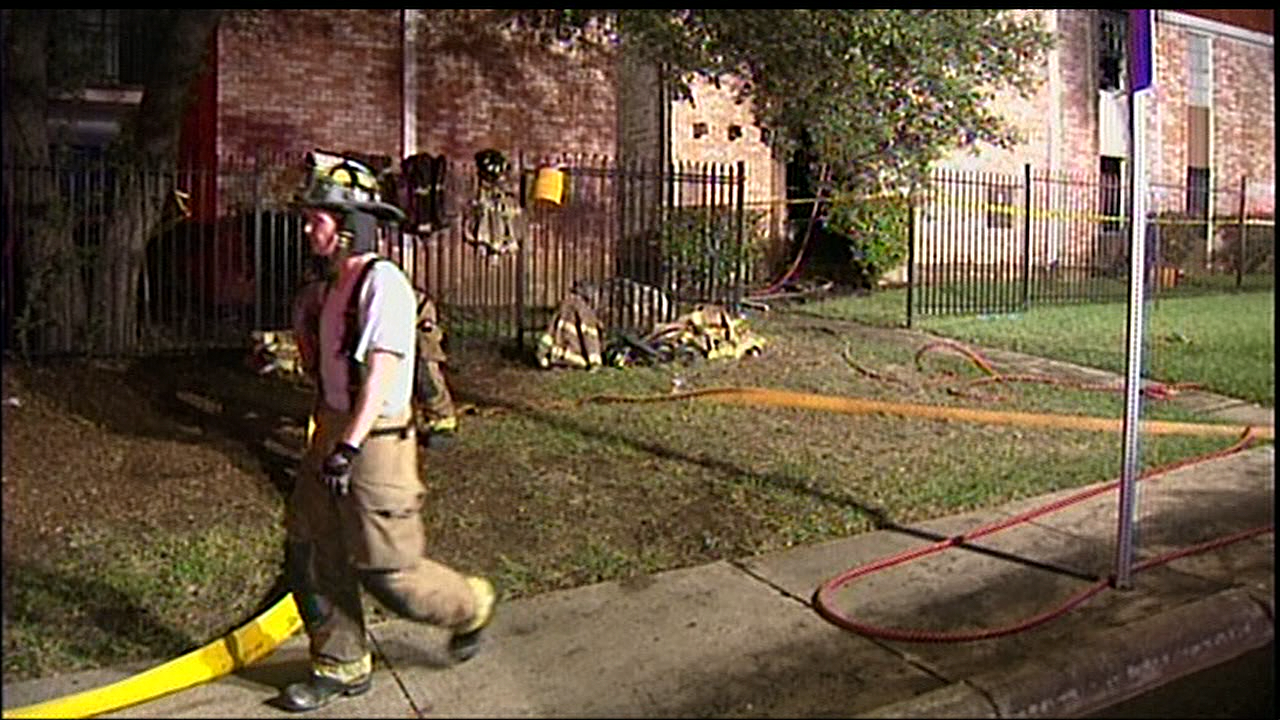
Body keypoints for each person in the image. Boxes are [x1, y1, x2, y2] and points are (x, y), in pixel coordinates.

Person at [278, 154, 495, 713]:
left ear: (350, 223)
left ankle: (470, 605)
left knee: (388, 574)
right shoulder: (327, 288)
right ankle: (341, 664)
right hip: (332, 431)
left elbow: (382, 373)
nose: (308, 228)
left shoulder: (383, 284)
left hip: (374, 444)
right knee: (310, 551)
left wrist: (348, 447)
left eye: (318, 217)